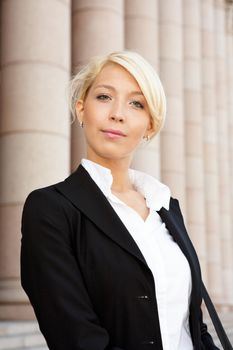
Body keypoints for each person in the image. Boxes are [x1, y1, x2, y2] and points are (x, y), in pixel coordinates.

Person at [20, 51, 219, 350]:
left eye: (136, 103)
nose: (118, 113)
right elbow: (77, 339)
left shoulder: (166, 206)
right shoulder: (50, 209)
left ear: (150, 125)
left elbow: (192, 325)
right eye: (103, 97)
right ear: (81, 108)